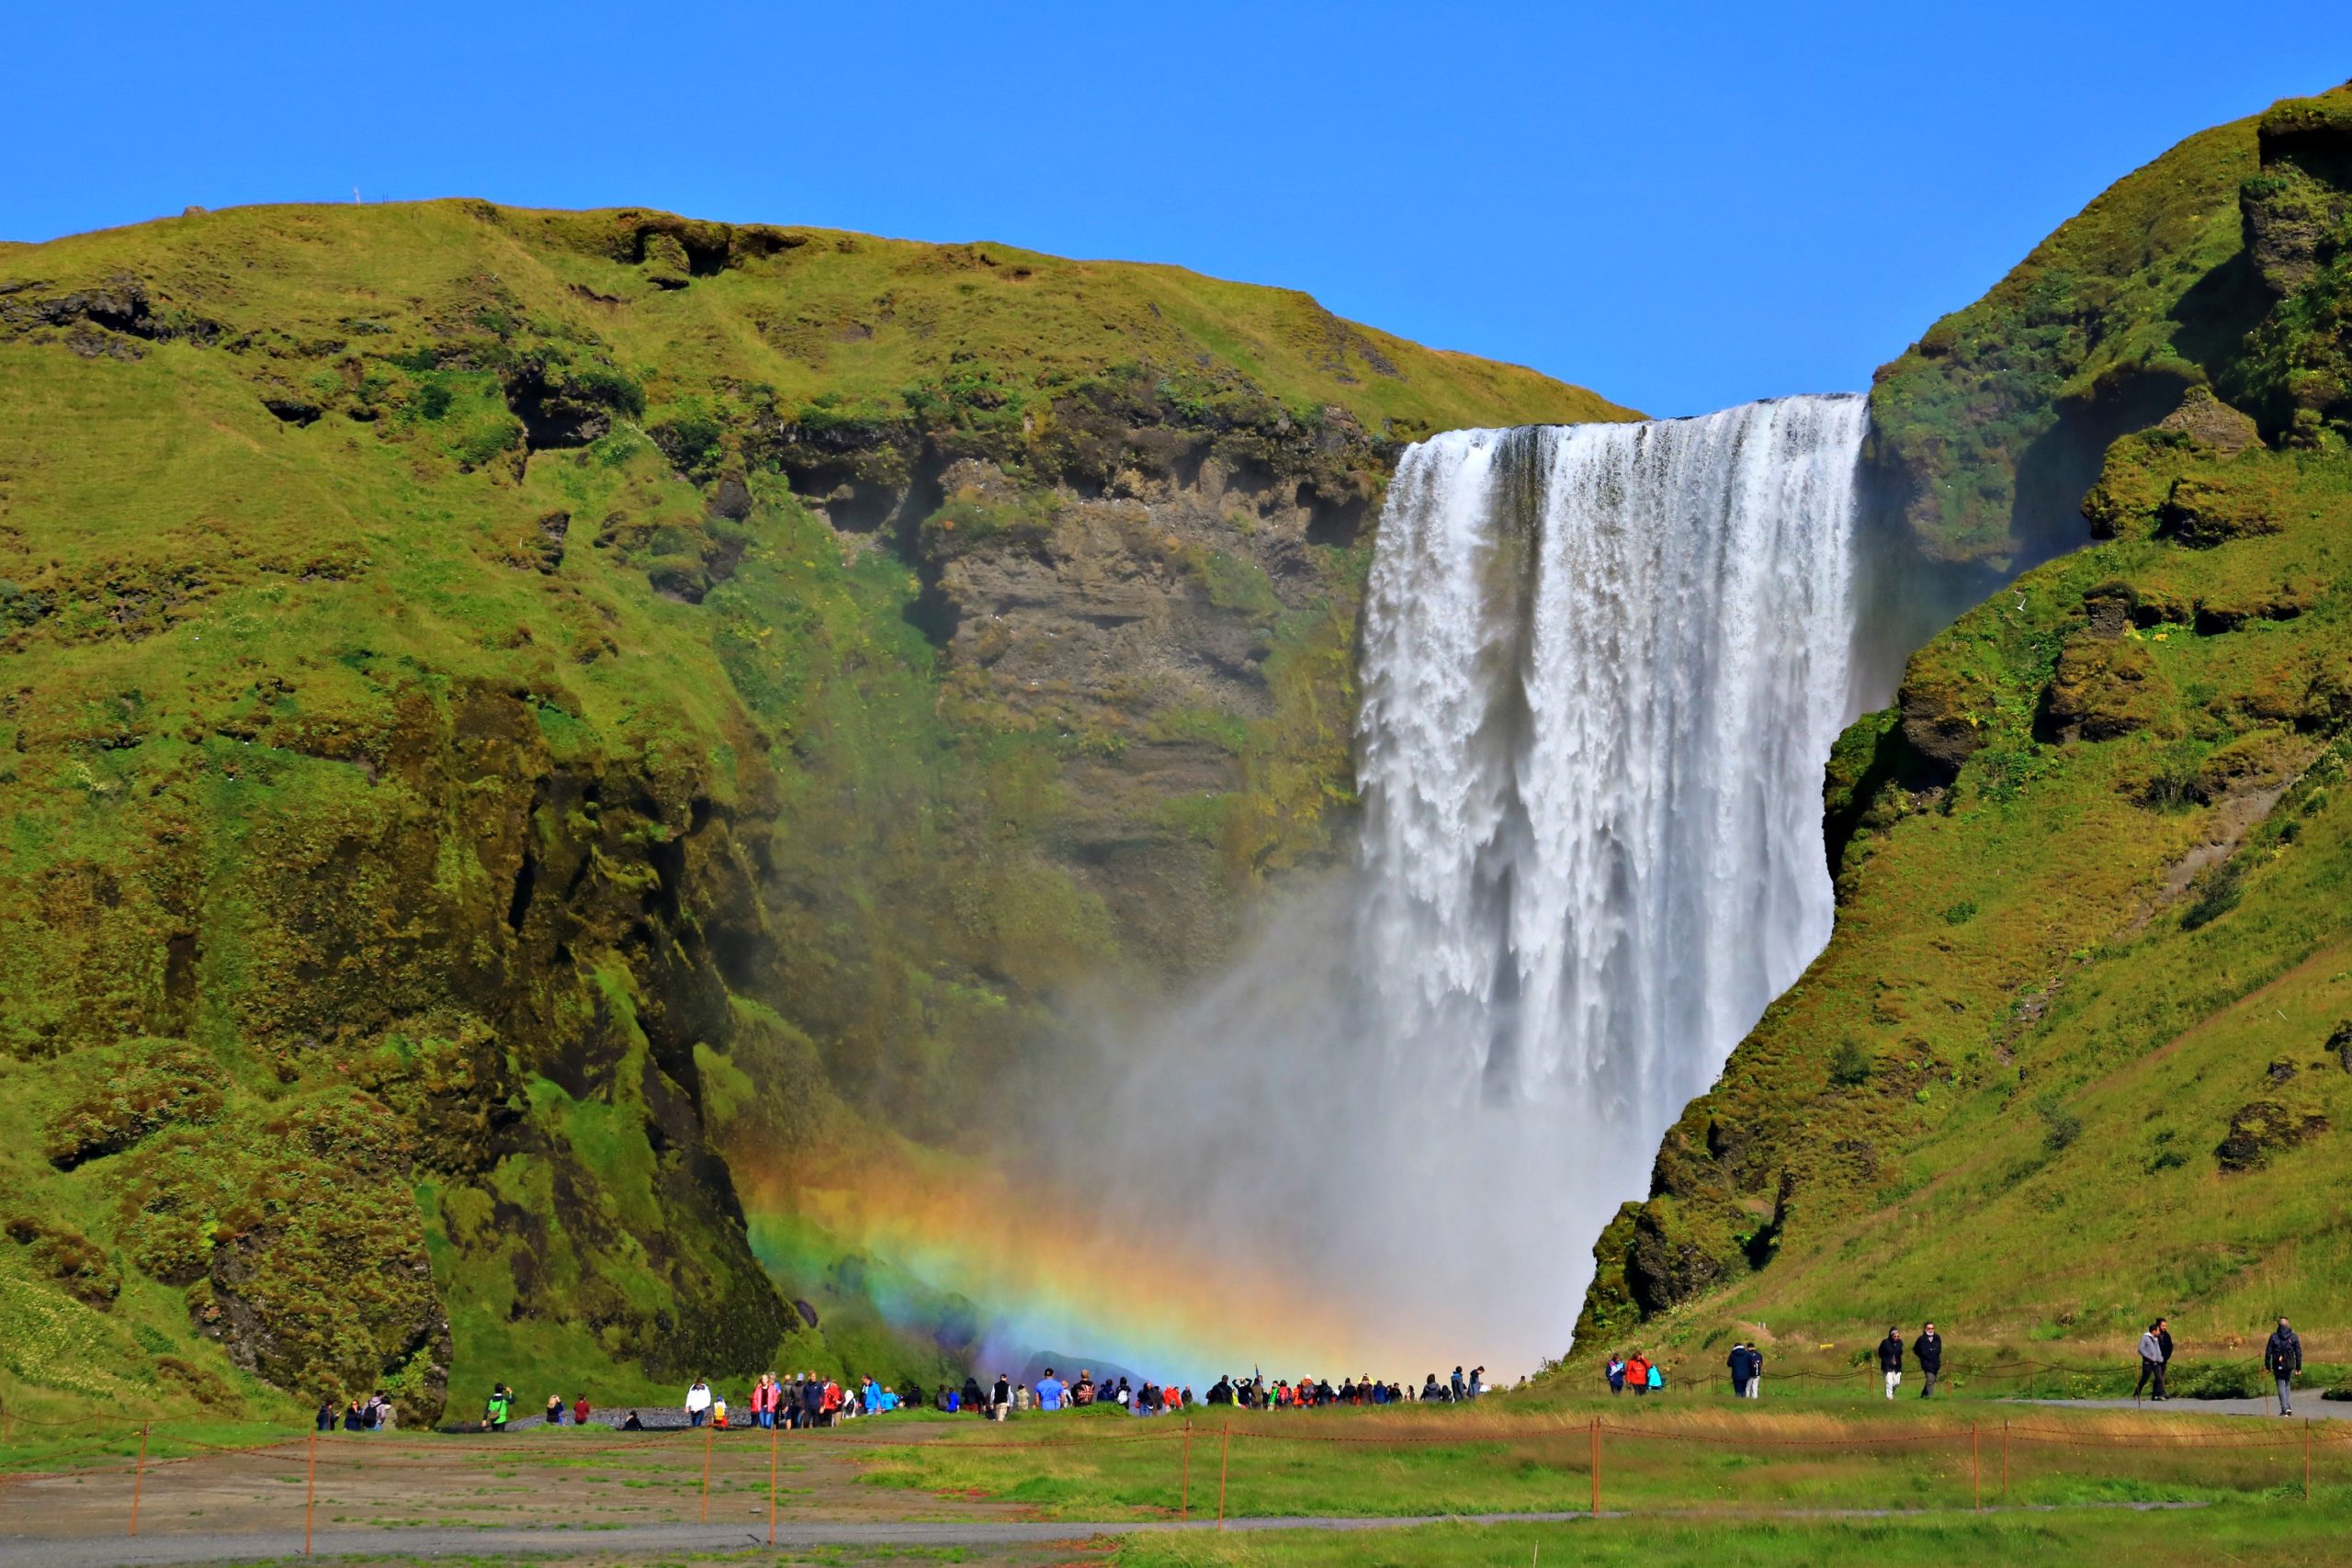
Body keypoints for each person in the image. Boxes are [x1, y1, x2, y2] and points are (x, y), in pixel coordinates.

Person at [2266, 1316, 2302, 1416]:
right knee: (2287, 1384)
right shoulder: (2294, 1337)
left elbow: (2268, 1353)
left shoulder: (2274, 1337)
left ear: (2279, 1326)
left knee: (2281, 1385)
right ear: (2288, 1325)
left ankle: (2285, 1409)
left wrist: (2267, 1366)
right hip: (2289, 1365)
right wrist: (2298, 1368)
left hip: (2278, 1365)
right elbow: (2298, 1353)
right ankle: (2288, 1407)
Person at [2135, 1321, 2167, 1401]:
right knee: (2144, 1379)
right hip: (2148, 1363)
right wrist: (2148, 1357)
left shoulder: (2156, 1338)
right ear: (2153, 1331)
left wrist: (2161, 1359)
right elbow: (2140, 1349)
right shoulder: (2145, 1338)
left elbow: (2157, 1350)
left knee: (2159, 1378)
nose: (2159, 1332)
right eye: (2158, 1331)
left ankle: (2159, 1395)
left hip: (2156, 1363)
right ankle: (2136, 1393)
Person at [1914, 1323, 1943, 1399]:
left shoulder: (1937, 1338)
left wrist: (1934, 1352)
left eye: (1932, 1328)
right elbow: (1915, 1349)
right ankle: (1931, 1397)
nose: (1930, 1330)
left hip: (1935, 1363)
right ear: (1925, 1329)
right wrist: (1923, 1356)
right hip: (1926, 1363)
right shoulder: (1921, 1339)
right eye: (1929, 1328)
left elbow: (1939, 1349)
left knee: (1932, 1380)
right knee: (1930, 1379)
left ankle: (1923, 1395)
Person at [1877, 1327, 1905, 1399]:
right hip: (1887, 1366)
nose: (1896, 1338)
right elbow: (1880, 1353)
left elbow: (1900, 1352)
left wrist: (1896, 1360)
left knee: (1896, 1383)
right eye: (1895, 1336)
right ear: (1891, 1335)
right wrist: (1887, 1360)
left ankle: (1890, 1393)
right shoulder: (1885, 1343)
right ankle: (1889, 1399)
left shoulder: (1900, 1343)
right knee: (1889, 1383)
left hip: (1897, 1367)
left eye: (1898, 1336)